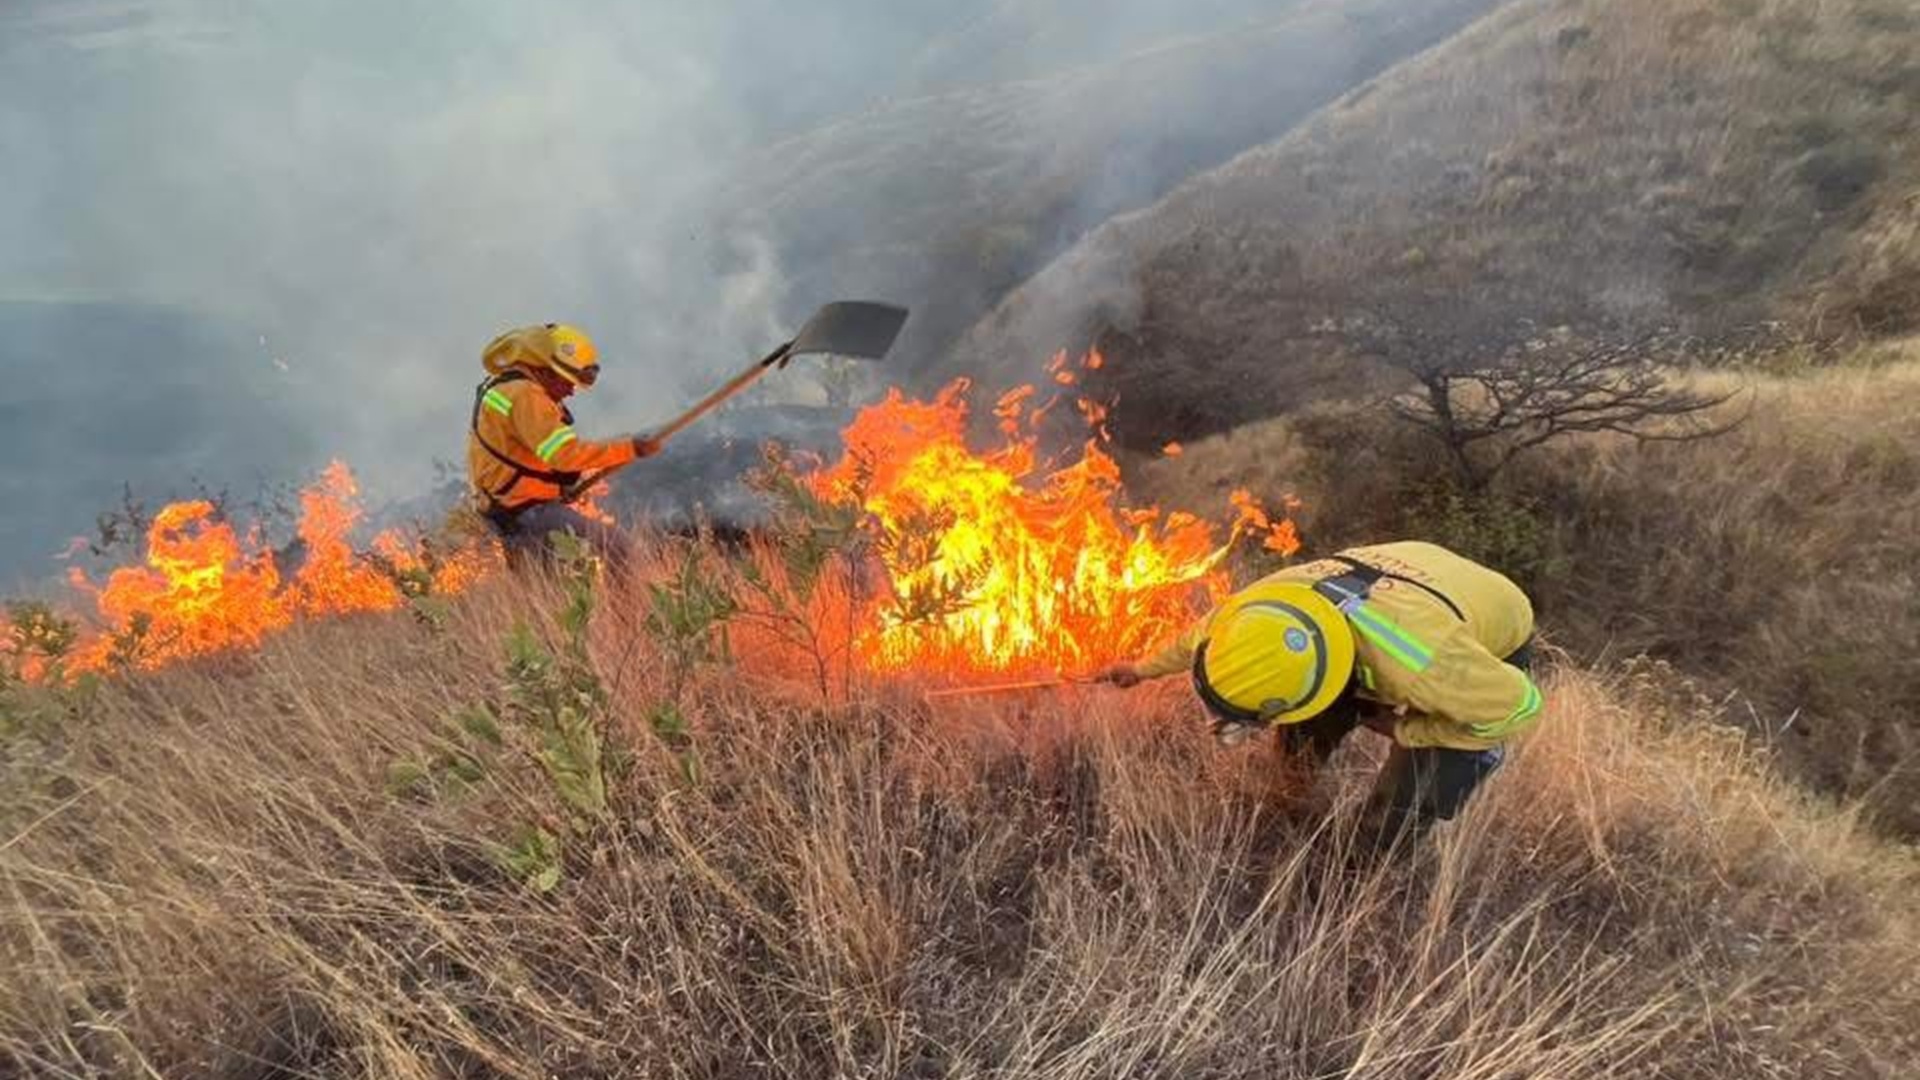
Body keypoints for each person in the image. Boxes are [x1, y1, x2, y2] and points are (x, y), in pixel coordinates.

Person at [1098, 541, 1542, 848]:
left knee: (1416, 787)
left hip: (1483, 612)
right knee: (1305, 730)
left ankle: (1360, 866)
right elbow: (1194, 638)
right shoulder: (1254, 612)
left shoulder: (1423, 662)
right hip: (1410, 570)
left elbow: (1520, 708)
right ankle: (1289, 799)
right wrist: (1140, 670)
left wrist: (1409, 730)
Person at [465, 323, 660, 566]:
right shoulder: (527, 396)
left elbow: (520, 453)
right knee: (618, 547)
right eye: (568, 381)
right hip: (526, 513)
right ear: (546, 370)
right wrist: (631, 449)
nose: (571, 391)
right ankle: (630, 595)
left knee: (548, 584)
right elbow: (565, 455)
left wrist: (555, 488)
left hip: (509, 510)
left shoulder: (506, 387)